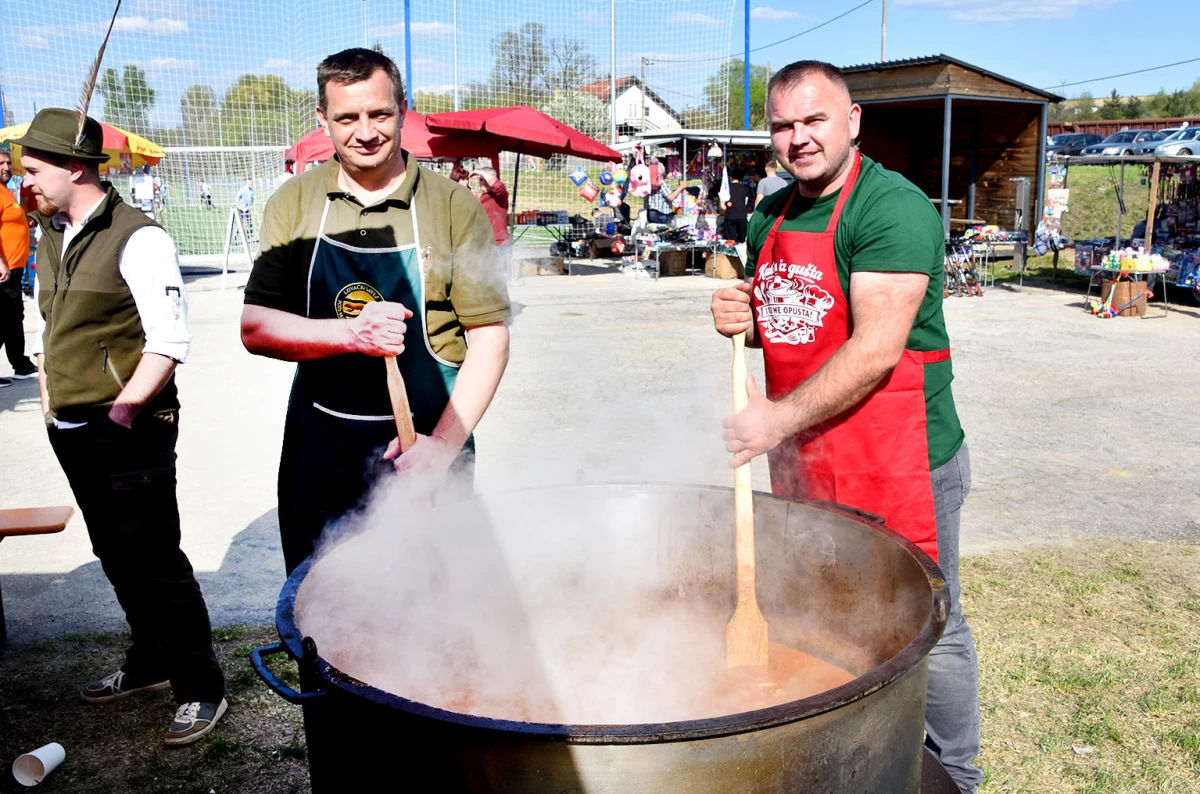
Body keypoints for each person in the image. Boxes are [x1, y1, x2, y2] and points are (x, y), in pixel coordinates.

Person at [709, 61, 982, 794]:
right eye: (783, 125)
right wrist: (741, 318)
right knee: (831, 609)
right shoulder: (769, 215)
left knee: (930, 616)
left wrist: (774, 421)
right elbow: (793, 323)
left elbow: (874, 348)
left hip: (901, 455)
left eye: (814, 120)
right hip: (804, 452)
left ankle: (955, 773)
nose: (798, 139)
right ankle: (855, 748)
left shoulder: (892, 208)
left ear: (853, 121)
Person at [241, 48, 511, 575]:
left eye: (379, 114)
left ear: (402, 110)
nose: (365, 132)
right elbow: (256, 327)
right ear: (323, 120)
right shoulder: (293, 204)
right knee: (324, 598)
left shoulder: (452, 206)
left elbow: (490, 339)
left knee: (438, 608)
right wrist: (352, 335)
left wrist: (442, 448)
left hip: (427, 446)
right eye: (346, 117)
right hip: (323, 447)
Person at [15, 107, 226, 745]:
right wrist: (51, 397)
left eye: (33, 168)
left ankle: (200, 687)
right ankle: (150, 662)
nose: (24, 181)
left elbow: (167, 343)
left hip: (128, 426)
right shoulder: (51, 232)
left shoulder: (140, 238)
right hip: (72, 426)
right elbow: (48, 324)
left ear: (74, 166)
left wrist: (123, 411)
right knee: (114, 554)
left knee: (156, 559)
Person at [0, 176, 36, 384]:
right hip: (5, 268)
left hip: (14, 266)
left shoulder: (6, 190)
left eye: (7, 163)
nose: (6, 167)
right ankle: (20, 363)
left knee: (12, 317)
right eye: (1, 163)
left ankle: (21, 364)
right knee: (5, 318)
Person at [469, 166, 509, 246]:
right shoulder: (483, 196)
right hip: (483, 242)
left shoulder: (500, 195)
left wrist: (481, 172)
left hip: (497, 243)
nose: (483, 183)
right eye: (480, 180)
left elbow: (498, 187)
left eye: (485, 180)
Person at [722, 167, 752, 244]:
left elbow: (722, 205)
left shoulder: (726, 188)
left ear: (731, 177)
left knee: (730, 242)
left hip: (730, 216)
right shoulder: (745, 188)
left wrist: (728, 209)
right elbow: (745, 203)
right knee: (741, 241)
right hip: (742, 216)